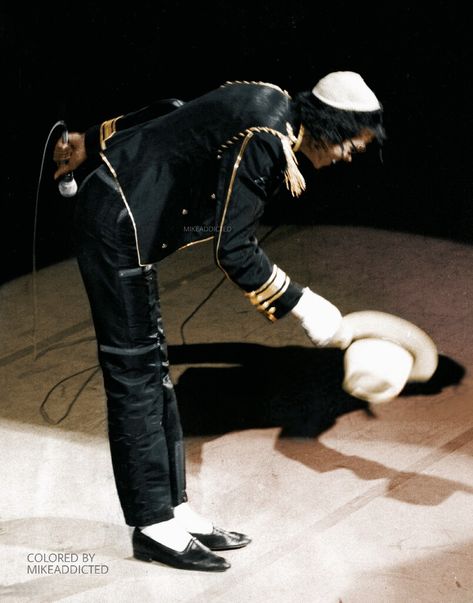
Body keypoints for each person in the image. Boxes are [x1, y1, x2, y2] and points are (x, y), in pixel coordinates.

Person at [53, 71, 385, 572]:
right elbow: (235, 251)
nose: (345, 159)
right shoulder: (268, 139)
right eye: (350, 148)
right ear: (331, 126)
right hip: (115, 224)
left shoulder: (272, 102)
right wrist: (304, 305)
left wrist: (94, 139)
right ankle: (152, 527)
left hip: (128, 218)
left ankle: (175, 512)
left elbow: (173, 108)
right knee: (135, 379)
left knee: (153, 374)